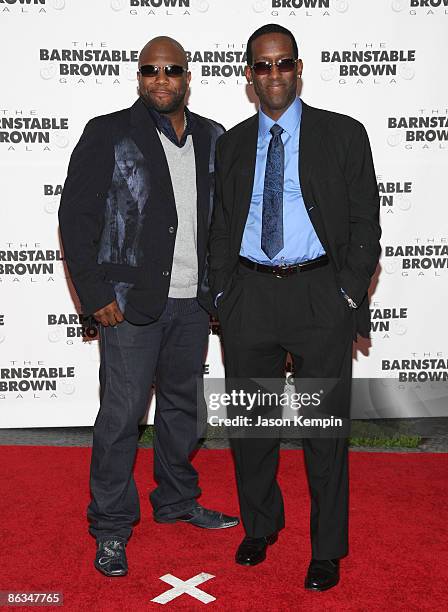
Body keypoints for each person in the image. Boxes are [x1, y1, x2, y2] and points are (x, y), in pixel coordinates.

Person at [209, 24, 381, 591]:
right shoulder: (231, 144)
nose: (274, 74)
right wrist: (222, 296)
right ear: (249, 75)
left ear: (299, 67)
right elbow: (218, 228)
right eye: (262, 65)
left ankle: (327, 548)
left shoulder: (344, 135)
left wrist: (346, 295)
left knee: (323, 430)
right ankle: (260, 526)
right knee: (252, 427)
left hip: (319, 295)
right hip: (250, 296)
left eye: (283, 63)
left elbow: (365, 225)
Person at [59, 36, 239, 578]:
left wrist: (220, 293)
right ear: (139, 77)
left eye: (171, 70)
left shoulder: (213, 138)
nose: (160, 80)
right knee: (122, 417)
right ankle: (111, 527)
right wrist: (94, 298)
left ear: (188, 76)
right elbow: (76, 220)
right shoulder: (109, 132)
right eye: (150, 71)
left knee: (185, 411)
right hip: (129, 305)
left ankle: (177, 500)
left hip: (193, 303)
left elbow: (225, 223)